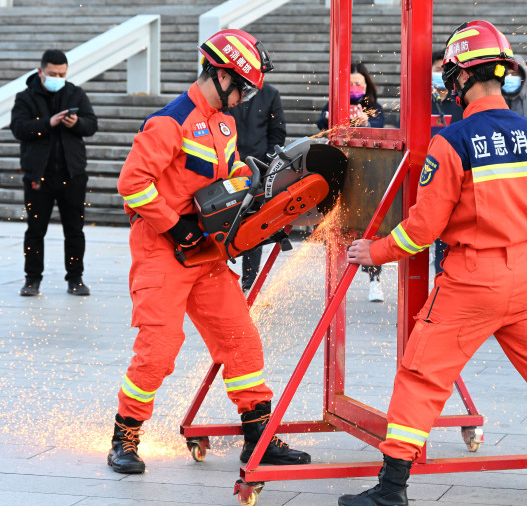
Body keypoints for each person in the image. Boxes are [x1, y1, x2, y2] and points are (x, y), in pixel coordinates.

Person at [341, 20, 527, 506]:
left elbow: (423, 229)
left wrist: (376, 251)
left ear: (461, 78)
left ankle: (391, 489)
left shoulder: (454, 142)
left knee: (421, 375)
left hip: (471, 279)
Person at [108, 29, 311, 475]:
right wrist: (175, 226)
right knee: (159, 348)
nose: (243, 97)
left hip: (207, 253)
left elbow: (232, 170)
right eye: (241, 86)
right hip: (163, 251)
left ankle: (258, 433)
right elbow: (132, 184)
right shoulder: (169, 122)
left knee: (240, 340)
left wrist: (258, 201)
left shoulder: (225, 124)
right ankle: (125, 436)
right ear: (219, 74)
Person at [10, 49, 98, 297]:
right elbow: (19, 128)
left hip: (73, 175)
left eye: (62, 73)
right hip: (38, 177)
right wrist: (47, 124)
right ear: (40, 71)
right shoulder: (25, 97)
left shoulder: (75, 93)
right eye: (52, 73)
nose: (57, 77)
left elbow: (92, 125)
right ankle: (32, 279)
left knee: (74, 230)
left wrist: (76, 124)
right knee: (35, 230)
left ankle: (76, 278)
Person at [316, 61, 386, 302]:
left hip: (366, 173)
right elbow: (321, 125)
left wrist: (366, 123)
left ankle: (375, 279)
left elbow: (381, 129)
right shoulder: (335, 103)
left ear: (366, 85)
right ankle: (336, 278)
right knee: (338, 225)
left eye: (359, 83)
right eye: (352, 83)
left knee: (368, 229)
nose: (356, 87)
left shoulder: (372, 106)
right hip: (340, 171)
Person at [228, 83, 287, 294]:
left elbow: (277, 132)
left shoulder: (270, 94)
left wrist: (267, 163)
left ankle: (248, 283)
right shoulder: (227, 90)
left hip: (257, 168)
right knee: (223, 221)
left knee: (254, 224)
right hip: (227, 166)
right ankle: (221, 278)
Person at [430, 50, 464, 275]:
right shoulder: (420, 103)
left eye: (443, 69)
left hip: (452, 174)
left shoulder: (459, 103)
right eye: (435, 69)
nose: (439, 74)